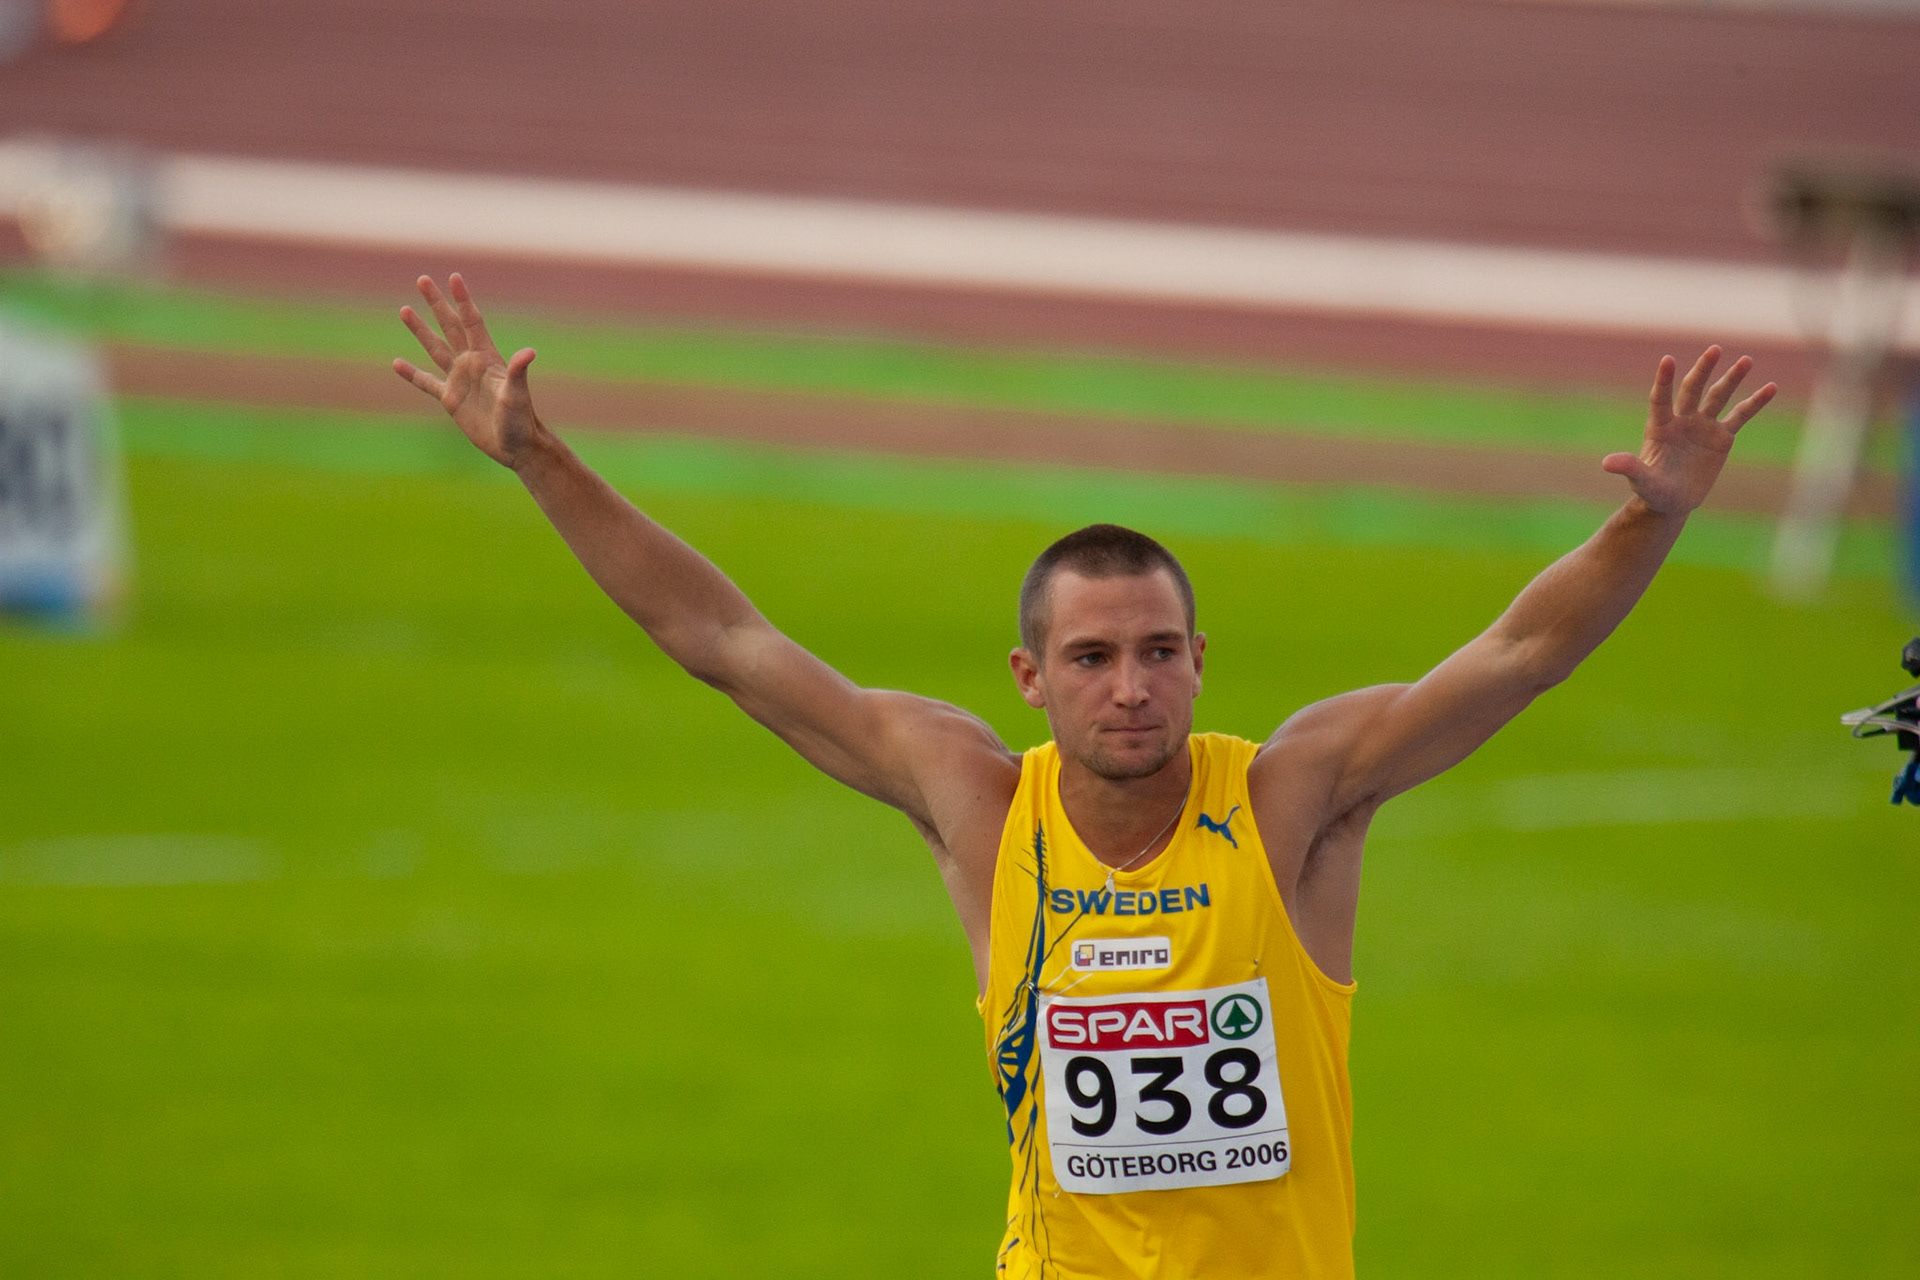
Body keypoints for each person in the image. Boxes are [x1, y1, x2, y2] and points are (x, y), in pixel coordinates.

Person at [393, 273, 1776, 1279]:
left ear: (1199, 659)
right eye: (1098, 655)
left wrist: (1645, 525)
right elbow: (724, 640)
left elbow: (1519, 654)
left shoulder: (1292, 797)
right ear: (1031, 677)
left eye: (1162, 651)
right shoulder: (982, 803)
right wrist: (541, 460)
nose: (1133, 685)